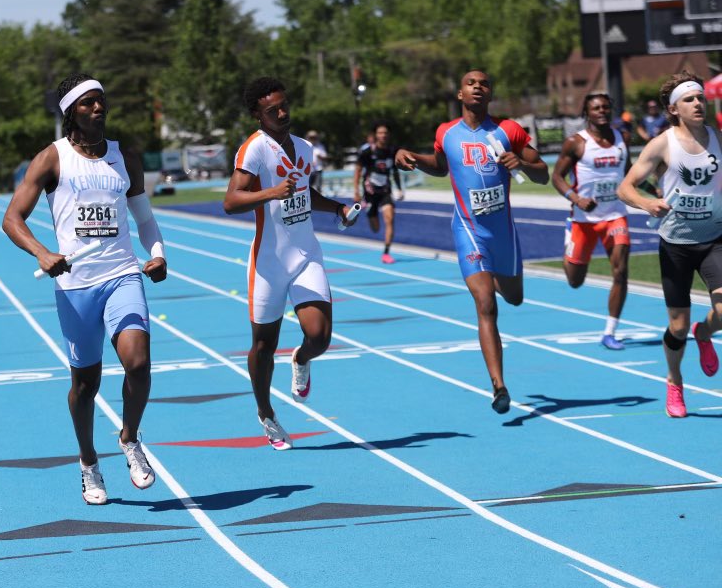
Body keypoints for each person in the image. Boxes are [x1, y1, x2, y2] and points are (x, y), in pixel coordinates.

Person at [2, 73, 167, 505]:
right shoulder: (51, 159)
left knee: (138, 362)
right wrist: (42, 253)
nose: (98, 108)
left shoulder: (123, 157)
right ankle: (89, 461)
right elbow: (12, 219)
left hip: (122, 275)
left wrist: (158, 253)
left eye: (101, 101)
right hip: (75, 286)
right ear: (70, 112)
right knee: (85, 386)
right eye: (88, 103)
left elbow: (144, 218)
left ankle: (130, 438)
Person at [395, 70, 550, 414]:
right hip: (469, 230)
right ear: (460, 94)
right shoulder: (446, 132)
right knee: (486, 305)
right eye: (470, 83)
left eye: (484, 83)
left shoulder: (509, 130)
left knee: (514, 298)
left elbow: (542, 174)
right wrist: (414, 157)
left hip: (503, 232)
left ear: (490, 94)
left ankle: (493, 273)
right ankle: (499, 386)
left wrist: (521, 161)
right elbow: (440, 166)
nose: (478, 87)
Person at [223, 77, 357, 449]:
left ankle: (300, 357)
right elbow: (231, 201)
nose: (282, 113)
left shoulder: (304, 147)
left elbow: (305, 193)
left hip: (305, 254)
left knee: (320, 336)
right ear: (257, 115)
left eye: (285, 106)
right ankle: (266, 412)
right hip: (269, 262)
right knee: (263, 346)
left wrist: (338, 208)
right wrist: (270, 192)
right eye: (272, 110)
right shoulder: (253, 150)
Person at [618, 72, 719, 419]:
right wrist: (647, 204)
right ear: (674, 108)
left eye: (701, 98)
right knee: (676, 327)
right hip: (676, 243)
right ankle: (675, 380)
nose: (698, 104)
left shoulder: (718, 138)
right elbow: (626, 187)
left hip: (714, 239)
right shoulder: (663, 144)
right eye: (689, 99)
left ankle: (704, 332)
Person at [552, 92, 631, 350]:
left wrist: (654, 191)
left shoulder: (622, 138)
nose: (602, 111)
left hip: (614, 215)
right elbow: (557, 177)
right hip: (583, 219)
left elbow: (630, 172)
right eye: (596, 108)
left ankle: (610, 331)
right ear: (587, 113)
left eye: (606, 107)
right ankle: (568, 242)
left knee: (620, 271)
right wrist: (576, 199)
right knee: (575, 281)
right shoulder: (576, 143)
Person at [353, 121, 405, 264]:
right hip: (370, 193)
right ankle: (368, 208)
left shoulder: (393, 151)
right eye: (380, 133)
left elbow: (395, 172)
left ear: (389, 135)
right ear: (375, 135)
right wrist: (356, 191)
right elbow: (357, 170)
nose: (383, 135)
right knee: (375, 228)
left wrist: (399, 188)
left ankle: (386, 253)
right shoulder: (368, 152)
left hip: (385, 191)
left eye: (385, 133)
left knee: (390, 219)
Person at [306, 130, 329, 194]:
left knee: (318, 186)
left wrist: (320, 157)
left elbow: (325, 157)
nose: (313, 139)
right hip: (308, 170)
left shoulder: (320, 146)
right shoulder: (305, 146)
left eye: (314, 137)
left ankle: (318, 201)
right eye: (311, 137)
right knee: (307, 186)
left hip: (318, 169)